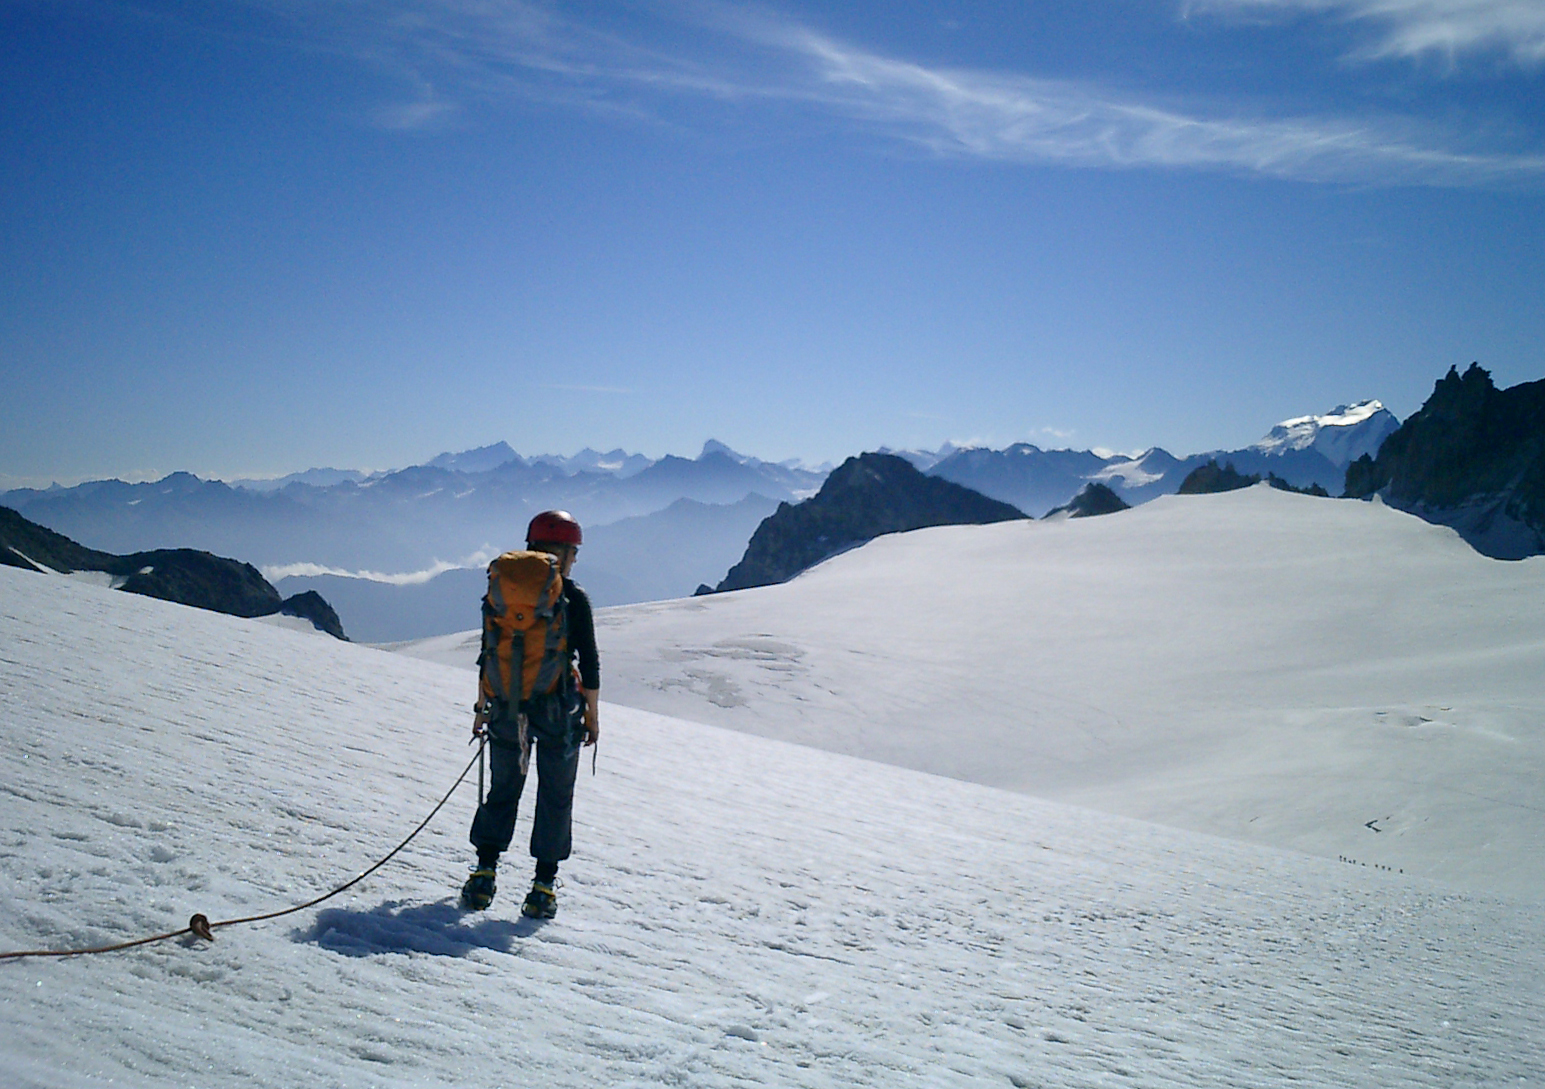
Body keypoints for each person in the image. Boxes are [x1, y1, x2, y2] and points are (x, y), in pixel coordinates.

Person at [461, 510, 600, 917]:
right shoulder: (573, 598)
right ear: (566, 552)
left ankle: (483, 875)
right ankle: (542, 887)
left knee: (503, 789)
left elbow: (490, 651)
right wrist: (592, 715)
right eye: (573, 551)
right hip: (558, 706)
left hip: (507, 705)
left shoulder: (502, 591)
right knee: (555, 796)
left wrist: (483, 707)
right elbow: (589, 662)